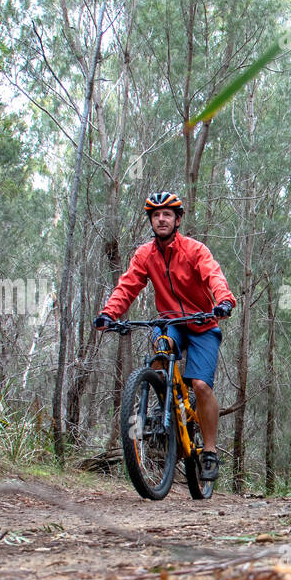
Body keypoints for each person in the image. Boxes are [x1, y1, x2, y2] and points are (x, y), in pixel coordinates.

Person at [94, 191, 236, 482]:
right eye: (156, 215)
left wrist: (223, 302)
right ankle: (158, 411)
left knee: (200, 385)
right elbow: (128, 286)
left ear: (177, 220)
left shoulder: (195, 250)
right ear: (151, 220)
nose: (161, 219)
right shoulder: (145, 254)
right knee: (159, 356)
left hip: (203, 325)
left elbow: (214, 277)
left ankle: (208, 451)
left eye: (167, 214)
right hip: (170, 322)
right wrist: (109, 314)